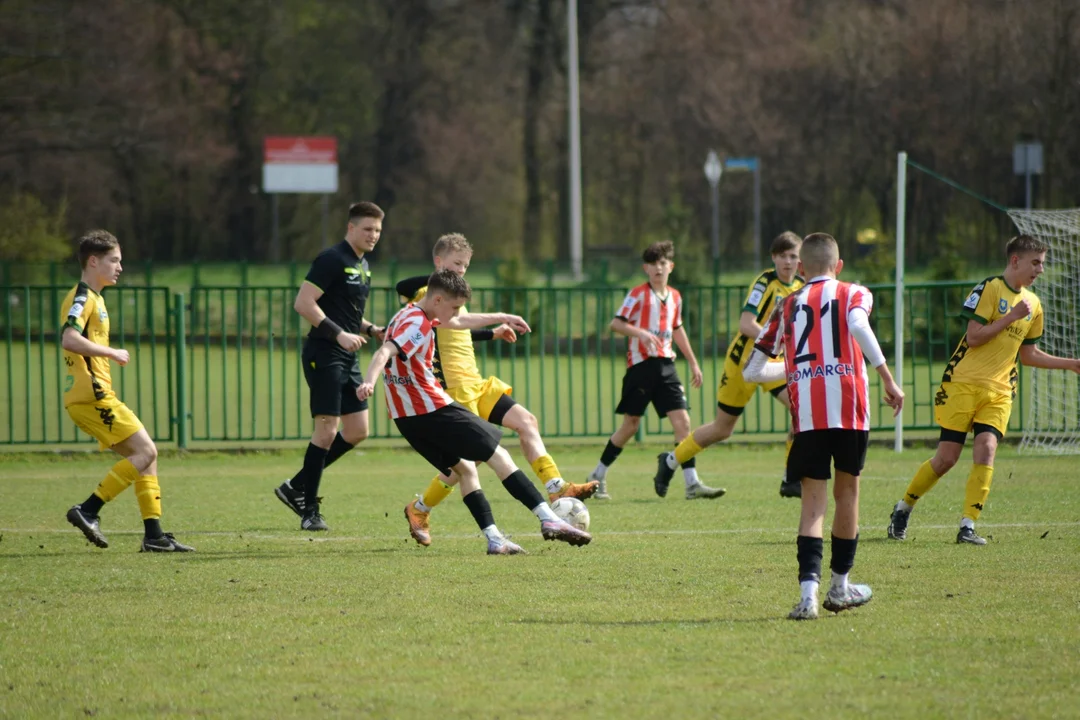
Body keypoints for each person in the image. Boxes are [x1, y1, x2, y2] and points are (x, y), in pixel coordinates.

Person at [356, 269, 592, 554]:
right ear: (439, 299)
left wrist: (501, 317)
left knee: (466, 469)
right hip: (434, 409)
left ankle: (494, 539)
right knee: (499, 454)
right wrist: (368, 382)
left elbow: (457, 322)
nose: (456, 313)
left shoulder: (407, 314)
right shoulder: (418, 324)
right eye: (454, 306)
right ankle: (549, 519)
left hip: (407, 419)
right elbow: (384, 352)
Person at [744, 232, 903, 620]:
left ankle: (807, 597)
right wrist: (886, 376)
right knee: (847, 496)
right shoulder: (854, 292)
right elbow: (858, 326)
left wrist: (799, 368)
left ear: (800, 268)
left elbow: (753, 371)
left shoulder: (787, 303)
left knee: (812, 505)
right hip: (850, 410)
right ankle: (840, 587)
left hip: (809, 417)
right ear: (839, 265)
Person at [887, 235, 1080, 545]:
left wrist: (1070, 363)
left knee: (987, 449)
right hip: (962, 383)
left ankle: (967, 526)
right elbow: (974, 337)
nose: (1040, 269)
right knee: (946, 459)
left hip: (1001, 390)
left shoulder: (1034, 305)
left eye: (1043, 263)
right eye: (1036, 262)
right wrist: (1010, 317)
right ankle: (903, 508)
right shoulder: (990, 288)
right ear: (1015, 261)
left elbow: (1028, 354)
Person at [62, 230, 194, 552]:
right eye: (114, 260)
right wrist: (111, 352)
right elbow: (68, 337)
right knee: (147, 451)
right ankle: (88, 509)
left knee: (145, 459)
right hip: (92, 396)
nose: (120, 267)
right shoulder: (84, 297)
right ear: (93, 261)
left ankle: (155, 536)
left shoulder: (95, 298)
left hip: (92, 396)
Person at [653, 232, 805, 498]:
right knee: (723, 429)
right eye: (783, 255)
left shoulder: (801, 286)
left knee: (800, 410)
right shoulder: (765, 282)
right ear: (774, 257)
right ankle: (670, 461)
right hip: (743, 364)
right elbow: (746, 324)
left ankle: (790, 479)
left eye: (793, 256)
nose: (788, 262)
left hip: (774, 364)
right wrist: (776, 342)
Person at [273, 201, 387, 532]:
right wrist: (339, 335)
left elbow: (343, 311)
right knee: (326, 430)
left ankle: (295, 486)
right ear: (350, 228)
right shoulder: (331, 259)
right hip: (323, 353)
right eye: (367, 229)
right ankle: (309, 509)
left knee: (357, 431)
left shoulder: (363, 265)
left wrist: (369, 330)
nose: (373, 235)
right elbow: (303, 303)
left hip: (346, 355)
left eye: (378, 230)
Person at [589, 240, 724, 501]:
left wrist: (693, 362)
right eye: (653, 264)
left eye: (662, 263)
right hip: (641, 367)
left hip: (667, 366)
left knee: (683, 422)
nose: (658, 268)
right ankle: (598, 474)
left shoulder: (675, 296)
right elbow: (616, 323)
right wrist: (640, 332)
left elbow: (677, 329)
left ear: (670, 266)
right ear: (645, 269)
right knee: (630, 425)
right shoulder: (638, 294)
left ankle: (691, 483)